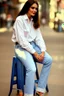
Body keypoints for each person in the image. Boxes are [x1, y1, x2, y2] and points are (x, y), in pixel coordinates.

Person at [11, 0, 53, 96]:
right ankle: (28, 94)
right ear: (27, 8)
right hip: (20, 48)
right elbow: (22, 41)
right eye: (32, 8)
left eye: (36, 9)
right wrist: (35, 53)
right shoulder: (20, 20)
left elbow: (39, 38)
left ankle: (40, 89)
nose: (34, 10)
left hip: (33, 45)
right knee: (32, 69)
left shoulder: (34, 21)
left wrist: (42, 51)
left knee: (49, 60)